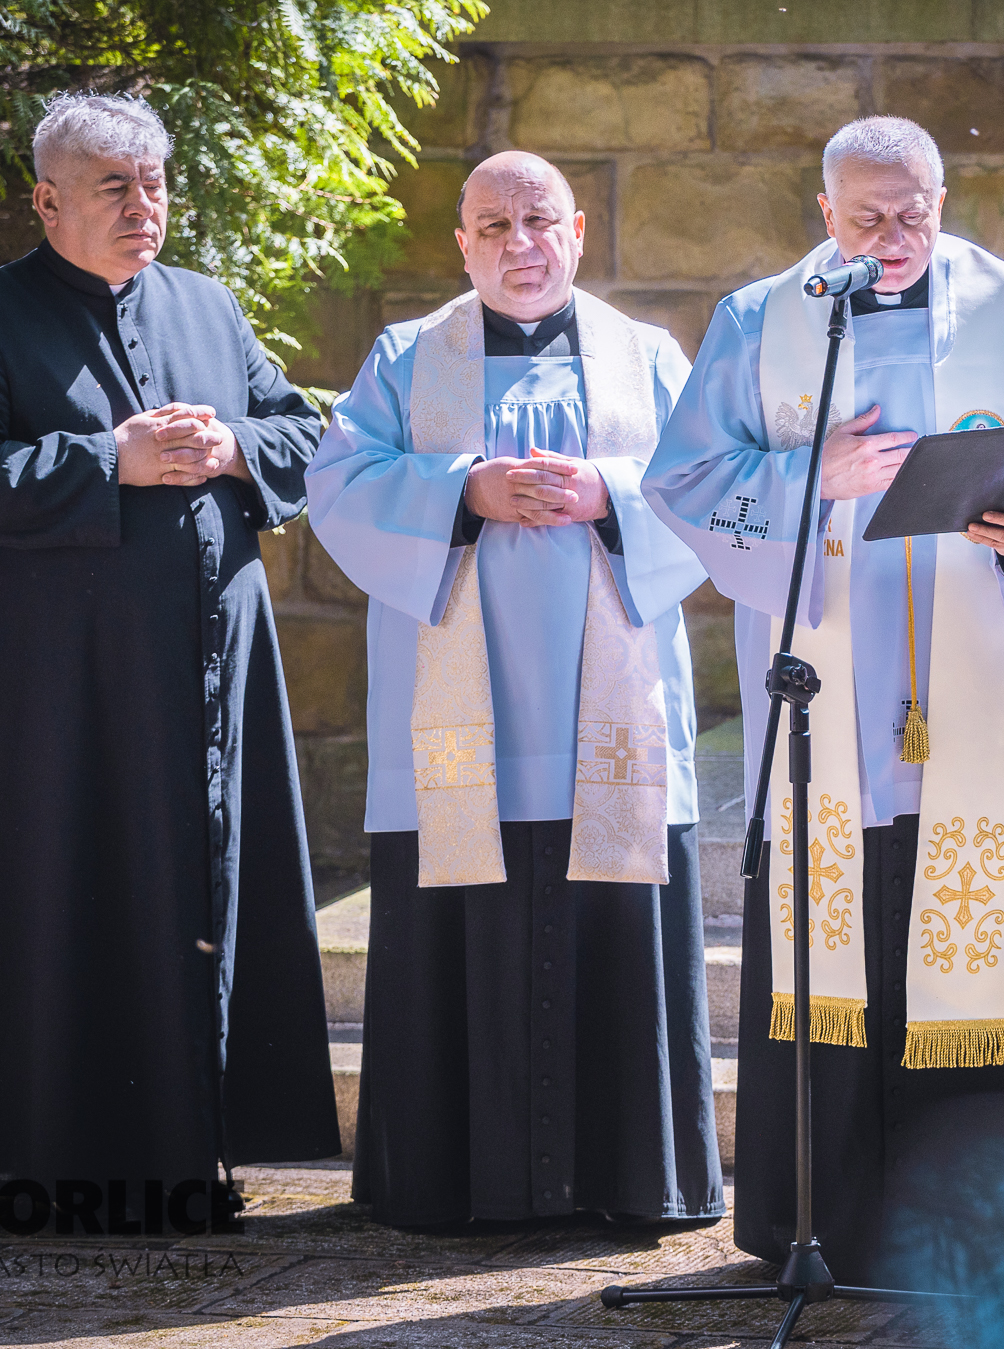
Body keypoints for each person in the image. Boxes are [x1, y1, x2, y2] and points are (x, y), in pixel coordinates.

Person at [645, 116, 1004, 1286]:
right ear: (823, 214)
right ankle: (813, 1215)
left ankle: (968, 1219)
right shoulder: (761, 320)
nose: (893, 237)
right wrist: (816, 475)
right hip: (831, 694)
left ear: (942, 194)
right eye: (866, 217)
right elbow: (685, 479)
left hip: (961, 697)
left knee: (956, 927)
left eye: (914, 210)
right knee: (830, 936)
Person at [0, 92, 338, 1227]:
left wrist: (239, 444)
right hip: (55, 690)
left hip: (209, 677)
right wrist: (111, 458)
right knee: (66, 892)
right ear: (47, 200)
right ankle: (42, 1171)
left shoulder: (206, 303)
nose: (144, 207)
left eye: (154, 184)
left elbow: (304, 432)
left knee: (200, 890)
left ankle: (194, 1160)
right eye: (114, 187)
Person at [307, 151, 722, 1228]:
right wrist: (463, 490)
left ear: (577, 230)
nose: (517, 245)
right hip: (460, 729)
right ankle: (448, 1184)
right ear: (461, 242)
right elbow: (337, 486)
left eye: (537, 221)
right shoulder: (407, 357)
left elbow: (714, 492)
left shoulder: (647, 356)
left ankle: (634, 1181)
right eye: (491, 226)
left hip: (609, 722)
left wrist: (609, 493)